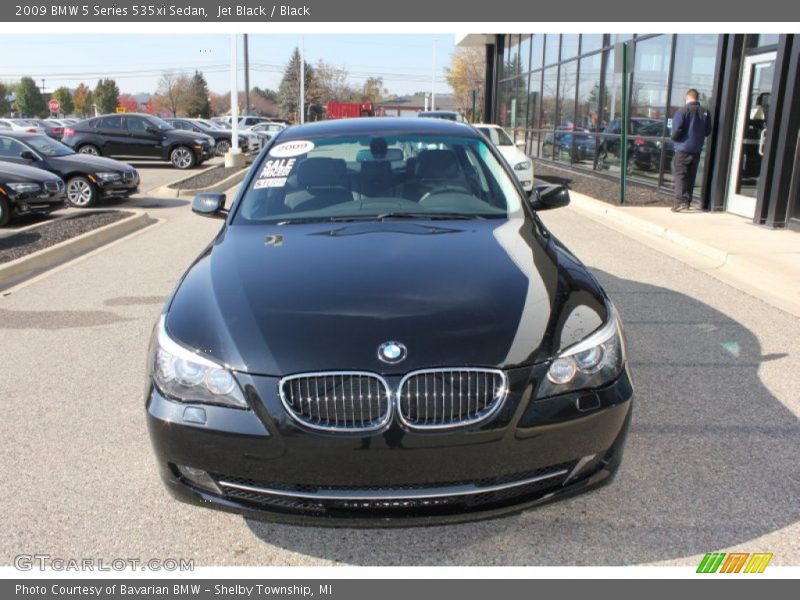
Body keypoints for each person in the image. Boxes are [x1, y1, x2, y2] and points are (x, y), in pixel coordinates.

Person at [670, 89, 712, 212]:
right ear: (697, 98)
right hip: (696, 150)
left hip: (682, 149)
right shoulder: (705, 112)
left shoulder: (682, 111)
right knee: (691, 177)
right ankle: (687, 202)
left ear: (687, 97)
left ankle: (678, 202)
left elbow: (676, 131)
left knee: (680, 176)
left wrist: (675, 138)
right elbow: (707, 131)